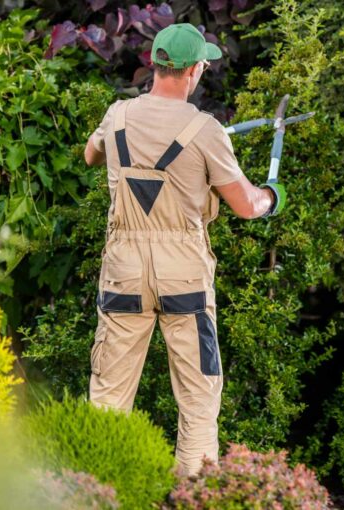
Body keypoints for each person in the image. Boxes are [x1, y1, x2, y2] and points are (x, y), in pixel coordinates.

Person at [82, 23, 286, 477]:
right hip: (184, 276)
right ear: (194, 70)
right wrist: (274, 196)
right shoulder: (207, 130)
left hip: (124, 270)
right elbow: (247, 206)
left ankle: (94, 494)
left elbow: (91, 156)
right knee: (197, 396)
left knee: (108, 396)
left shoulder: (117, 116)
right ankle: (194, 496)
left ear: (155, 65)